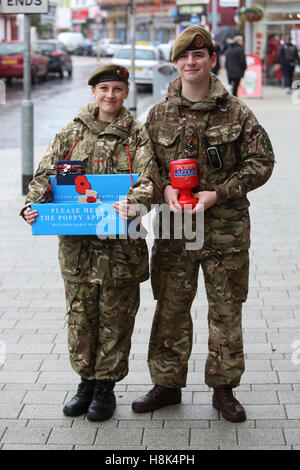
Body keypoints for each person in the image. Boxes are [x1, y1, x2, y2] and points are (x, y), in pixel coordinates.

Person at [131, 26, 275, 422]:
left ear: (212, 59)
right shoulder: (158, 114)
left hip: (225, 228)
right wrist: (163, 191)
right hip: (177, 228)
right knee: (170, 308)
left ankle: (224, 388)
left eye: (199, 56)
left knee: (226, 309)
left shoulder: (236, 111)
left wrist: (221, 193)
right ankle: (166, 384)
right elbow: (144, 166)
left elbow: (262, 161)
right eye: (184, 58)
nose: (191, 63)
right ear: (175, 63)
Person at [21, 64, 161, 422]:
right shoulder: (71, 134)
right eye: (104, 89)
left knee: (116, 320)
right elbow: (44, 177)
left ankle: (105, 388)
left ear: (125, 92)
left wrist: (137, 202)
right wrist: (32, 207)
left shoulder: (137, 136)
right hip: (78, 251)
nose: (110, 95)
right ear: (93, 93)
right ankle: (84, 382)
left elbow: (150, 180)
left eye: (117, 89)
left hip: (121, 250)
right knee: (81, 318)